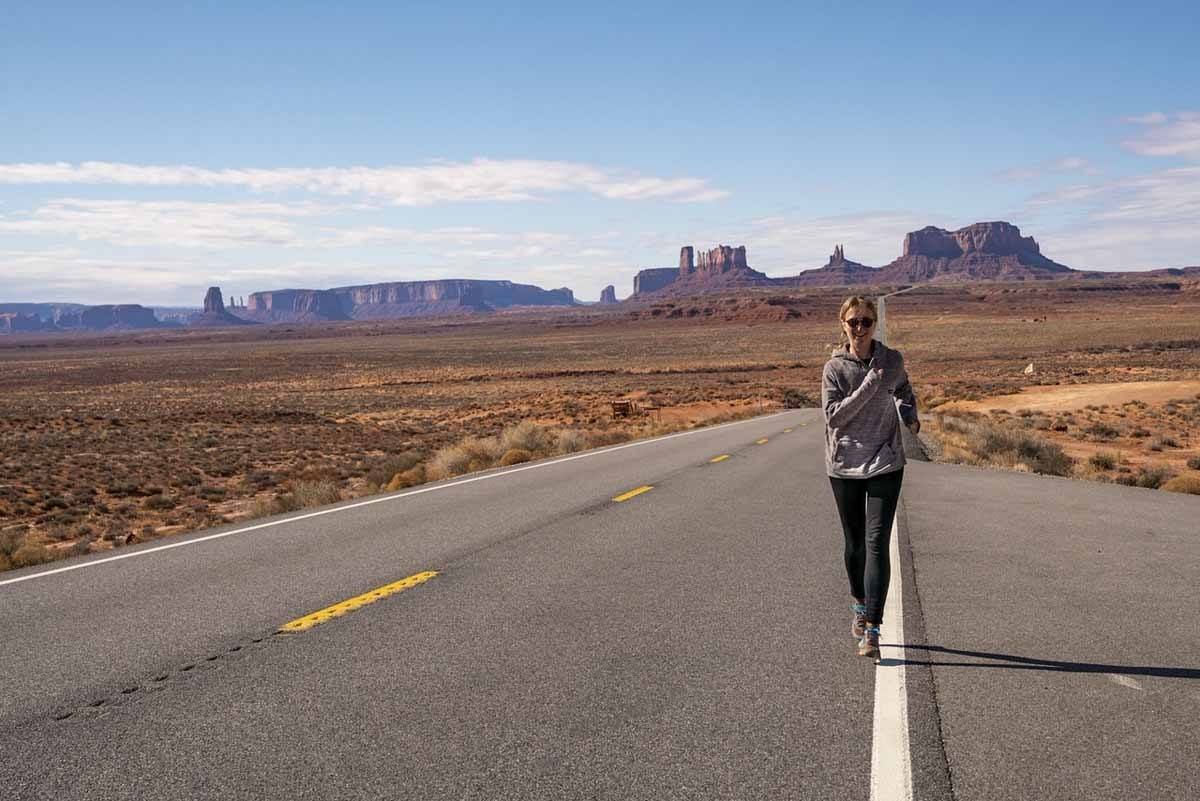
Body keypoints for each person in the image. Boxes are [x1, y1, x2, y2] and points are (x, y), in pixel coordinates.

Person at [821, 296, 919, 660]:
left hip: (885, 460)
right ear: (842, 325)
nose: (860, 329)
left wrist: (909, 414)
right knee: (855, 543)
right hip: (844, 463)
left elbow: (904, 388)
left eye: (866, 322)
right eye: (853, 323)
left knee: (877, 541)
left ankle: (873, 628)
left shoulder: (892, 360)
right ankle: (860, 604)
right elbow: (834, 417)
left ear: (875, 324)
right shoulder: (834, 369)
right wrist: (870, 385)